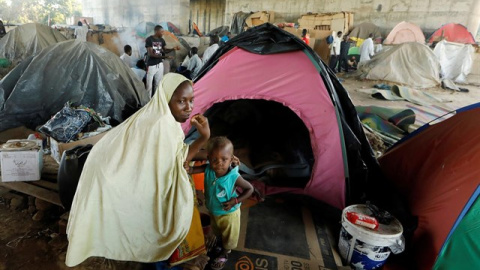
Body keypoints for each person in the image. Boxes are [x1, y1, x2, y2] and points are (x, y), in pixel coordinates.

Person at [65, 74, 210, 269]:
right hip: (112, 177)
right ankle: (156, 260)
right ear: (165, 99)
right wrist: (204, 137)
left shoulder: (162, 116)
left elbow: (177, 156)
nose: (189, 107)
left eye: (191, 100)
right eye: (181, 101)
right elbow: (179, 162)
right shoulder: (160, 125)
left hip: (110, 170)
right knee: (155, 221)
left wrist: (206, 153)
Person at [188, 137, 254, 270]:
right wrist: (186, 167)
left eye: (224, 159)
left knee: (229, 236)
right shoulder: (208, 169)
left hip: (229, 214)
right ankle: (219, 244)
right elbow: (191, 170)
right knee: (218, 231)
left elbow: (250, 189)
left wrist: (235, 201)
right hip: (214, 211)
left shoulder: (233, 177)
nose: (219, 163)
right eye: (214, 159)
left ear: (231, 159)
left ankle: (225, 253)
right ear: (208, 158)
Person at [145, 25, 179, 98]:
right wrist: (165, 57)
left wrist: (173, 48)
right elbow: (151, 54)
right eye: (162, 32)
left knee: (158, 84)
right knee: (149, 86)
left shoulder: (161, 40)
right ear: (157, 31)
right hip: (151, 65)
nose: (163, 33)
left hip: (160, 64)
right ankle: (147, 102)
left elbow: (165, 50)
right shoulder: (149, 40)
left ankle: (156, 100)